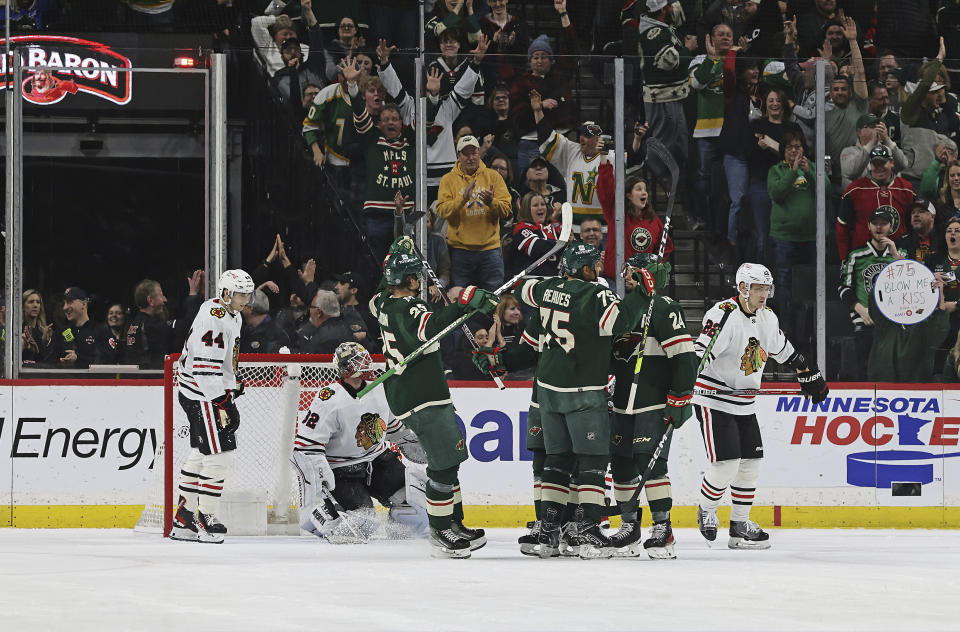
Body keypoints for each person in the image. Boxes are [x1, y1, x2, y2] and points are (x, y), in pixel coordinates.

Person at [478, 243, 648, 558]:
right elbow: (621, 321)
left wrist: (499, 359)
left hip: (547, 393)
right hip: (582, 392)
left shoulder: (545, 291)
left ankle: (549, 531)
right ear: (583, 269)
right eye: (594, 264)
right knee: (592, 462)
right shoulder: (596, 294)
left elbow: (527, 291)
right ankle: (586, 532)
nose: (598, 269)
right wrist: (643, 293)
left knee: (555, 461)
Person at [369, 252, 498, 558]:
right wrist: (466, 301)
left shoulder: (383, 303)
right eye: (415, 275)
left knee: (449, 460)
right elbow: (434, 325)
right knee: (442, 465)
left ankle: (454, 522)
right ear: (407, 280)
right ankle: (441, 531)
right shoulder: (410, 306)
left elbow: (380, 292)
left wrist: (389, 256)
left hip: (410, 393)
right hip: (422, 396)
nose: (420, 280)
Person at [694, 263, 828, 549]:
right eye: (758, 288)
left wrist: (808, 370)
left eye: (767, 288)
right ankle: (707, 509)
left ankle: (739, 525)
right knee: (726, 464)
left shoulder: (767, 317)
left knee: (751, 464)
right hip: (714, 399)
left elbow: (782, 348)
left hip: (744, 402)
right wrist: (679, 385)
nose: (764, 294)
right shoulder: (723, 315)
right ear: (743, 288)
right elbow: (699, 354)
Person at [607, 253, 697, 559]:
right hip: (621, 402)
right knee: (620, 463)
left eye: (633, 272)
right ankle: (629, 527)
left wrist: (681, 394)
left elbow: (684, 356)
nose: (627, 276)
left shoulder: (665, 307)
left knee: (651, 461)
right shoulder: (624, 308)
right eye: (627, 271)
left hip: (653, 400)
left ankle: (663, 528)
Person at [292, 342, 428, 542]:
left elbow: (391, 428)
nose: (365, 362)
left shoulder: (380, 389)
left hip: (379, 460)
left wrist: (410, 440)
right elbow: (306, 445)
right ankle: (318, 516)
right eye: (358, 360)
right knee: (363, 523)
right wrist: (319, 472)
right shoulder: (329, 399)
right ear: (345, 368)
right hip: (342, 469)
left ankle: (398, 541)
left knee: (415, 509)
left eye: (365, 358)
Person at [169, 269, 253, 544]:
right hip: (203, 395)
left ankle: (184, 518)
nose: (246, 299)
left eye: (248, 294)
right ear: (226, 293)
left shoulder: (227, 312)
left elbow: (221, 361)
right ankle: (205, 517)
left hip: (201, 393)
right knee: (221, 455)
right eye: (241, 294)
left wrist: (230, 384)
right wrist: (222, 399)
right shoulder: (214, 318)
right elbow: (205, 367)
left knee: (201, 453)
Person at [436, 134, 513, 291]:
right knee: (460, 299)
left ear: (479, 153)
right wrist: (462, 200)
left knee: (493, 298)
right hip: (460, 251)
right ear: (459, 156)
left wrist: (492, 202)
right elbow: (442, 211)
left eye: (474, 153)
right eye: (466, 154)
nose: (471, 158)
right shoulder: (448, 180)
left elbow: (507, 211)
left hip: (490, 250)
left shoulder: (494, 177)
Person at [837, 207, 908, 376]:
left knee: (893, 372)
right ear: (868, 226)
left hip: (895, 323)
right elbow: (843, 288)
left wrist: (896, 256)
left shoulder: (902, 255)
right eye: (875, 223)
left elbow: (909, 287)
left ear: (891, 227)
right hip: (865, 321)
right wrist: (861, 311)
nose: (879, 227)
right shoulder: (856, 255)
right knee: (865, 371)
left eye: (884, 223)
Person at [768, 129, 829, 318]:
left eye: (798, 146)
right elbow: (777, 193)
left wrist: (809, 172)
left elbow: (825, 188)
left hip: (811, 237)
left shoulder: (812, 167)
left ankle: (808, 326)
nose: (794, 151)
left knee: (811, 282)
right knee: (785, 281)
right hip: (784, 237)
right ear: (783, 151)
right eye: (789, 147)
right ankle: (786, 323)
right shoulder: (776, 170)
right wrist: (793, 172)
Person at [630, 0, 692, 175]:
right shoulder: (653, 32)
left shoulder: (661, 26)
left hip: (671, 96)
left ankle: (674, 178)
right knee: (662, 142)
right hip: (662, 99)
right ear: (663, 10)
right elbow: (668, 60)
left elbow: (681, 17)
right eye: (671, 5)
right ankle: (657, 181)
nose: (674, 8)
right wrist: (687, 50)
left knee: (678, 141)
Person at [596, 155, 673, 281]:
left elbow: (665, 247)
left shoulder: (653, 220)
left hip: (640, 283)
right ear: (628, 195)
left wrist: (652, 268)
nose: (644, 192)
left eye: (645, 190)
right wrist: (604, 161)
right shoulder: (617, 214)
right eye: (639, 189)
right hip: (615, 280)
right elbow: (605, 190)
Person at [837, 144, 915, 261]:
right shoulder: (854, 190)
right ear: (870, 165)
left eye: (883, 163)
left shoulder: (906, 189)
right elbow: (842, 228)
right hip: (862, 259)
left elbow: (912, 226)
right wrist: (844, 259)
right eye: (875, 164)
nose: (879, 167)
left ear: (892, 162)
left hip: (898, 257)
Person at [126, 272, 204, 370]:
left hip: (142, 378)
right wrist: (193, 295)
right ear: (150, 301)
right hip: (151, 379)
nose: (165, 300)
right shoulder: (150, 325)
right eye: (161, 295)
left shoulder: (137, 323)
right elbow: (186, 326)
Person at [823, 16, 869, 163]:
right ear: (830, 93)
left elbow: (860, 73)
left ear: (850, 92)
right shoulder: (824, 116)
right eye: (836, 89)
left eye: (843, 89)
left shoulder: (860, 106)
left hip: (859, 175)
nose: (840, 92)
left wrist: (852, 41)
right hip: (834, 177)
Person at [50, 287, 118, 370]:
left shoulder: (101, 331)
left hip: (93, 382)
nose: (64, 307)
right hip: (65, 381)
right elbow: (49, 362)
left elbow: (109, 362)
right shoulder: (60, 332)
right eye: (63, 304)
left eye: (69, 302)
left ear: (84, 304)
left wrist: (78, 359)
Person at [839, 113, 908, 190]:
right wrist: (871, 143)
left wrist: (887, 139)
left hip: (885, 197)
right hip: (859, 198)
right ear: (859, 132)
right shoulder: (849, 151)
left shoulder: (887, 150)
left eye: (879, 126)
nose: (877, 129)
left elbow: (903, 165)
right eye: (872, 126)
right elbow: (850, 172)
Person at [508, 191, 562, 277]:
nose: (540, 208)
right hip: (529, 280)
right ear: (527, 209)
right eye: (535, 205)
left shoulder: (554, 227)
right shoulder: (522, 228)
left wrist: (570, 241)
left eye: (543, 204)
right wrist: (561, 243)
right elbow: (536, 247)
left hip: (554, 279)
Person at [294, 289, 355, 354]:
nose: (310, 311)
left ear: (319, 312)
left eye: (311, 307)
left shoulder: (320, 339)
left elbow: (310, 362)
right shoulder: (347, 328)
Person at [239, 289, 291, 354]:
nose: (239, 309)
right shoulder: (243, 331)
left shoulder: (278, 335)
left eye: (242, 305)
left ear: (250, 308)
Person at [897, 197, 939, 264]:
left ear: (932, 216)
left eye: (921, 211)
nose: (916, 215)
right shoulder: (902, 242)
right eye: (913, 212)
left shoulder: (944, 240)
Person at [21, 289, 53, 367]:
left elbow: (48, 362)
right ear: (23, 306)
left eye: (38, 302)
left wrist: (43, 341)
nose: (35, 305)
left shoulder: (47, 332)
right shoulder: (16, 331)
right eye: (31, 302)